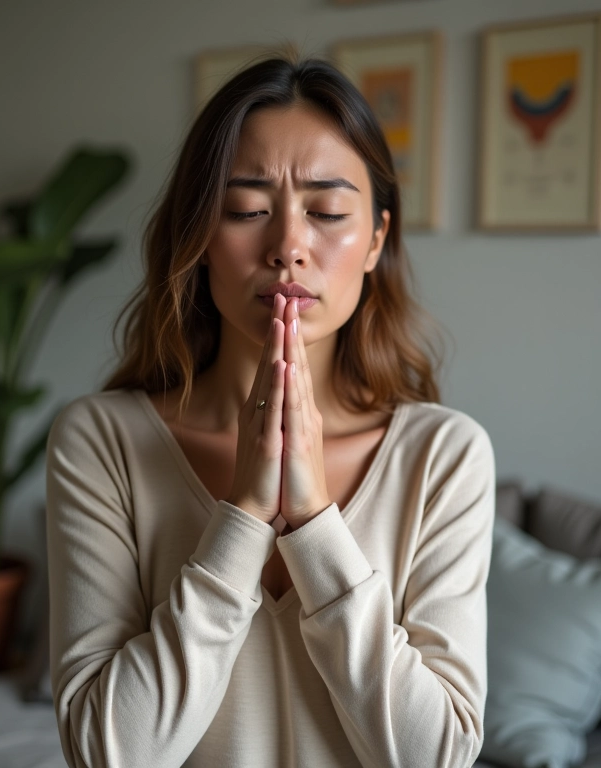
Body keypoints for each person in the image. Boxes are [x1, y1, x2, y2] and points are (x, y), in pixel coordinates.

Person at [46, 56, 495, 768]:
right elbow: (110, 755)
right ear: (198, 240)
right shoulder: (102, 441)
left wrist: (316, 522)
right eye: (247, 210)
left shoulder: (444, 456)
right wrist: (244, 517)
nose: (287, 246)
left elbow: (436, 756)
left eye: (326, 213)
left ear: (376, 238)